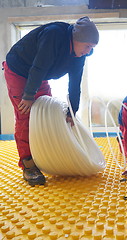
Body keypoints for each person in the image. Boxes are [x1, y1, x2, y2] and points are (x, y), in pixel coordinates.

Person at [2, 16, 99, 186]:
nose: (89, 51)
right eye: (88, 46)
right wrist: (28, 96)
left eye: (92, 48)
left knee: (44, 111)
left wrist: (72, 111)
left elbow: (75, 83)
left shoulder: (80, 55)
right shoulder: (54, 35)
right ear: (77, 39)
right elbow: (39, 66)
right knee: (25, 114)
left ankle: (42, 154)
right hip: (19, 70)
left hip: (38, 74)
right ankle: (28, 165)